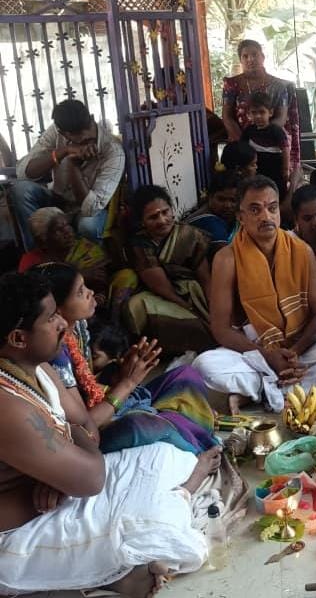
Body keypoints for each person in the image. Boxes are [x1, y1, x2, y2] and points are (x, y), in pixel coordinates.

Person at [0, 270, 220, 597]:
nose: (61, 324)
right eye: (51, 318)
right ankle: (118, 569)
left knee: (164, 453)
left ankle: (129, 550)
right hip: (19, 533)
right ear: (19, 338)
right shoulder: (7, 405)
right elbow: (91, 477)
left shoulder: (37, 367)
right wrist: (66, 460)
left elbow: (88, 427)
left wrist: (61, 465)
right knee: (155, 534)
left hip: (64, 489)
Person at [192, 175, 316, 412]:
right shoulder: (227, 258)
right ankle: (284, 388)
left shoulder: (302, 251)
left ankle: (263, 391)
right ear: (241, 216)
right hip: (253, 348)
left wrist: (294, 353)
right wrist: (267, 356)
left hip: (300, 345)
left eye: (272, 208)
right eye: (255, 210)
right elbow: (220, 329)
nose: (266, 217)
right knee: (205, 367)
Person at [42, 262, 218, 456]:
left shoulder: (78, 327)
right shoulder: (55, 354)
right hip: (90, 437)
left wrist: (123, 374)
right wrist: (128, 383)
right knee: (141, 424)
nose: (90, 293)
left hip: (104, 408)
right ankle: (199, 452)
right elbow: (83, 428)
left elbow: (90, 387)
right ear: (56, 310)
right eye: (80, 292)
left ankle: (186, 429)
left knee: (186, 375)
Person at [10, 99, 125, 249]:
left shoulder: (113, 151)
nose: (84, 138)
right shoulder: (56, 132)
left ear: (91, 118)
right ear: (63, 133)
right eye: (76, 135)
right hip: (57, 200)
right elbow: (23, 172)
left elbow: (91, 209)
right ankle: (38, 255)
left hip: (86, 210)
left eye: (87, 130)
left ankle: (90, 259)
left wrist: (73, 165)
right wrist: (63, 152)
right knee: (21, 190)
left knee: (88, 225)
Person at [126, 185, 214, 355]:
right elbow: (161, 287)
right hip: (165, 295)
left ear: (172, 210)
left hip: (194, 294)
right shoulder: (140, 244)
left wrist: (212, 307)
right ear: (142, 221)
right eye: (153, 217)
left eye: (165, 212)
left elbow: (205, 278)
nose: (162, 220)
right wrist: (186, 308)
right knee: (136, 305)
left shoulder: (190, 235)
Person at [221, 38, 302, 191]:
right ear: (240, 60)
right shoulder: (231, 84)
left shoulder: (279, 86)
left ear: (263, 57)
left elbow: (281, 118)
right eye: (245, 56)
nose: (250, 59)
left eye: (254, 54)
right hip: (243, 147)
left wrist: (262, 138)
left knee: (274, 186)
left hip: (272, 146)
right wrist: (245, 146)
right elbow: (227, 116)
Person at [18, 206, 110, 303]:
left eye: (67, 225)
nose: (68, 231)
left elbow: (101, 283)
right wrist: (78, 277)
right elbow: (33, 296)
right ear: (42, 241)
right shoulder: (31, 262)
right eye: (59, 230)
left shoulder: (88, 251)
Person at [241, 89, 292, 201]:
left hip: (276, 170)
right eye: (254, 112)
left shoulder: (276, 131)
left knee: (277, 195)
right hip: (257, 171)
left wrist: (285, 169)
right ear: (249, 114)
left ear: (270, 112)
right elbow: (243, 149)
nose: (258, 116)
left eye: (262, 112)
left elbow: (285, 149)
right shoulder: (248, 131)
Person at [186, 169, 240, 253]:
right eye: (221, 199)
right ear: (210, 197)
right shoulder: (209, 221)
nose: (227, 205)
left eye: (233, 200)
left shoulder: (228, 217)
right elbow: (226, 255)